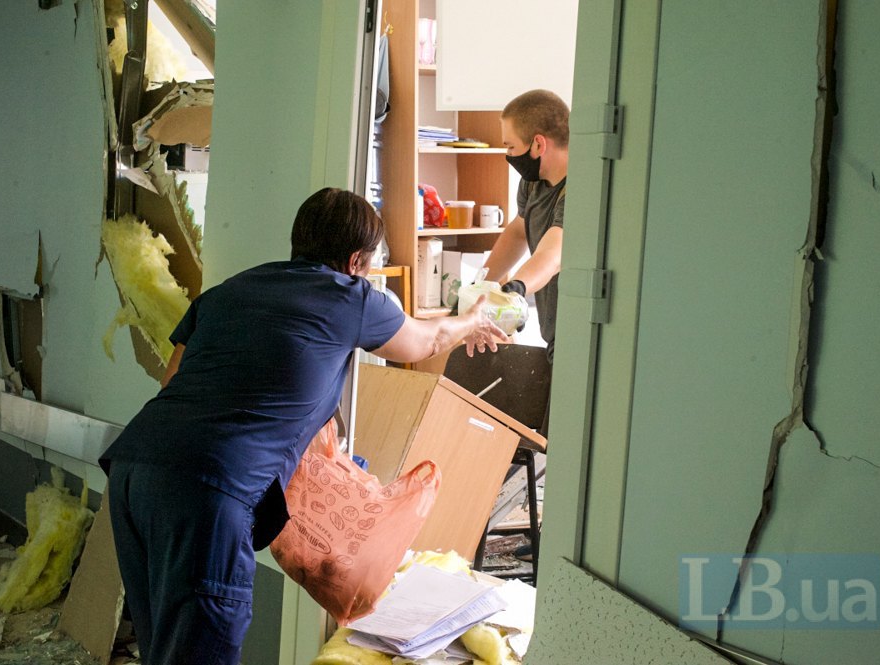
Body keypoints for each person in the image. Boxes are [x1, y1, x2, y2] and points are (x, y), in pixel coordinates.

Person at [99, 188, 508, 665]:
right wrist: (470, 320)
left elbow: (173, 379)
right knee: (200, 650)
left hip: (135, 469)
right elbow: (427, 339)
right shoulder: (352, 297)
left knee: (163, 647)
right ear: (357, 260)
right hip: (208, 493)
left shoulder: (229, 291)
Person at [475, 89, 569, 366]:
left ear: (538, 144)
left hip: (580, 338)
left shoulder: (581, 189)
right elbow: (518, 232)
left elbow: (553, 255)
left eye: (511, 146)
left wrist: (516, 288)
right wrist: (481, 286)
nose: (508, 155)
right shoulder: (533, 183)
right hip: (553, 336)